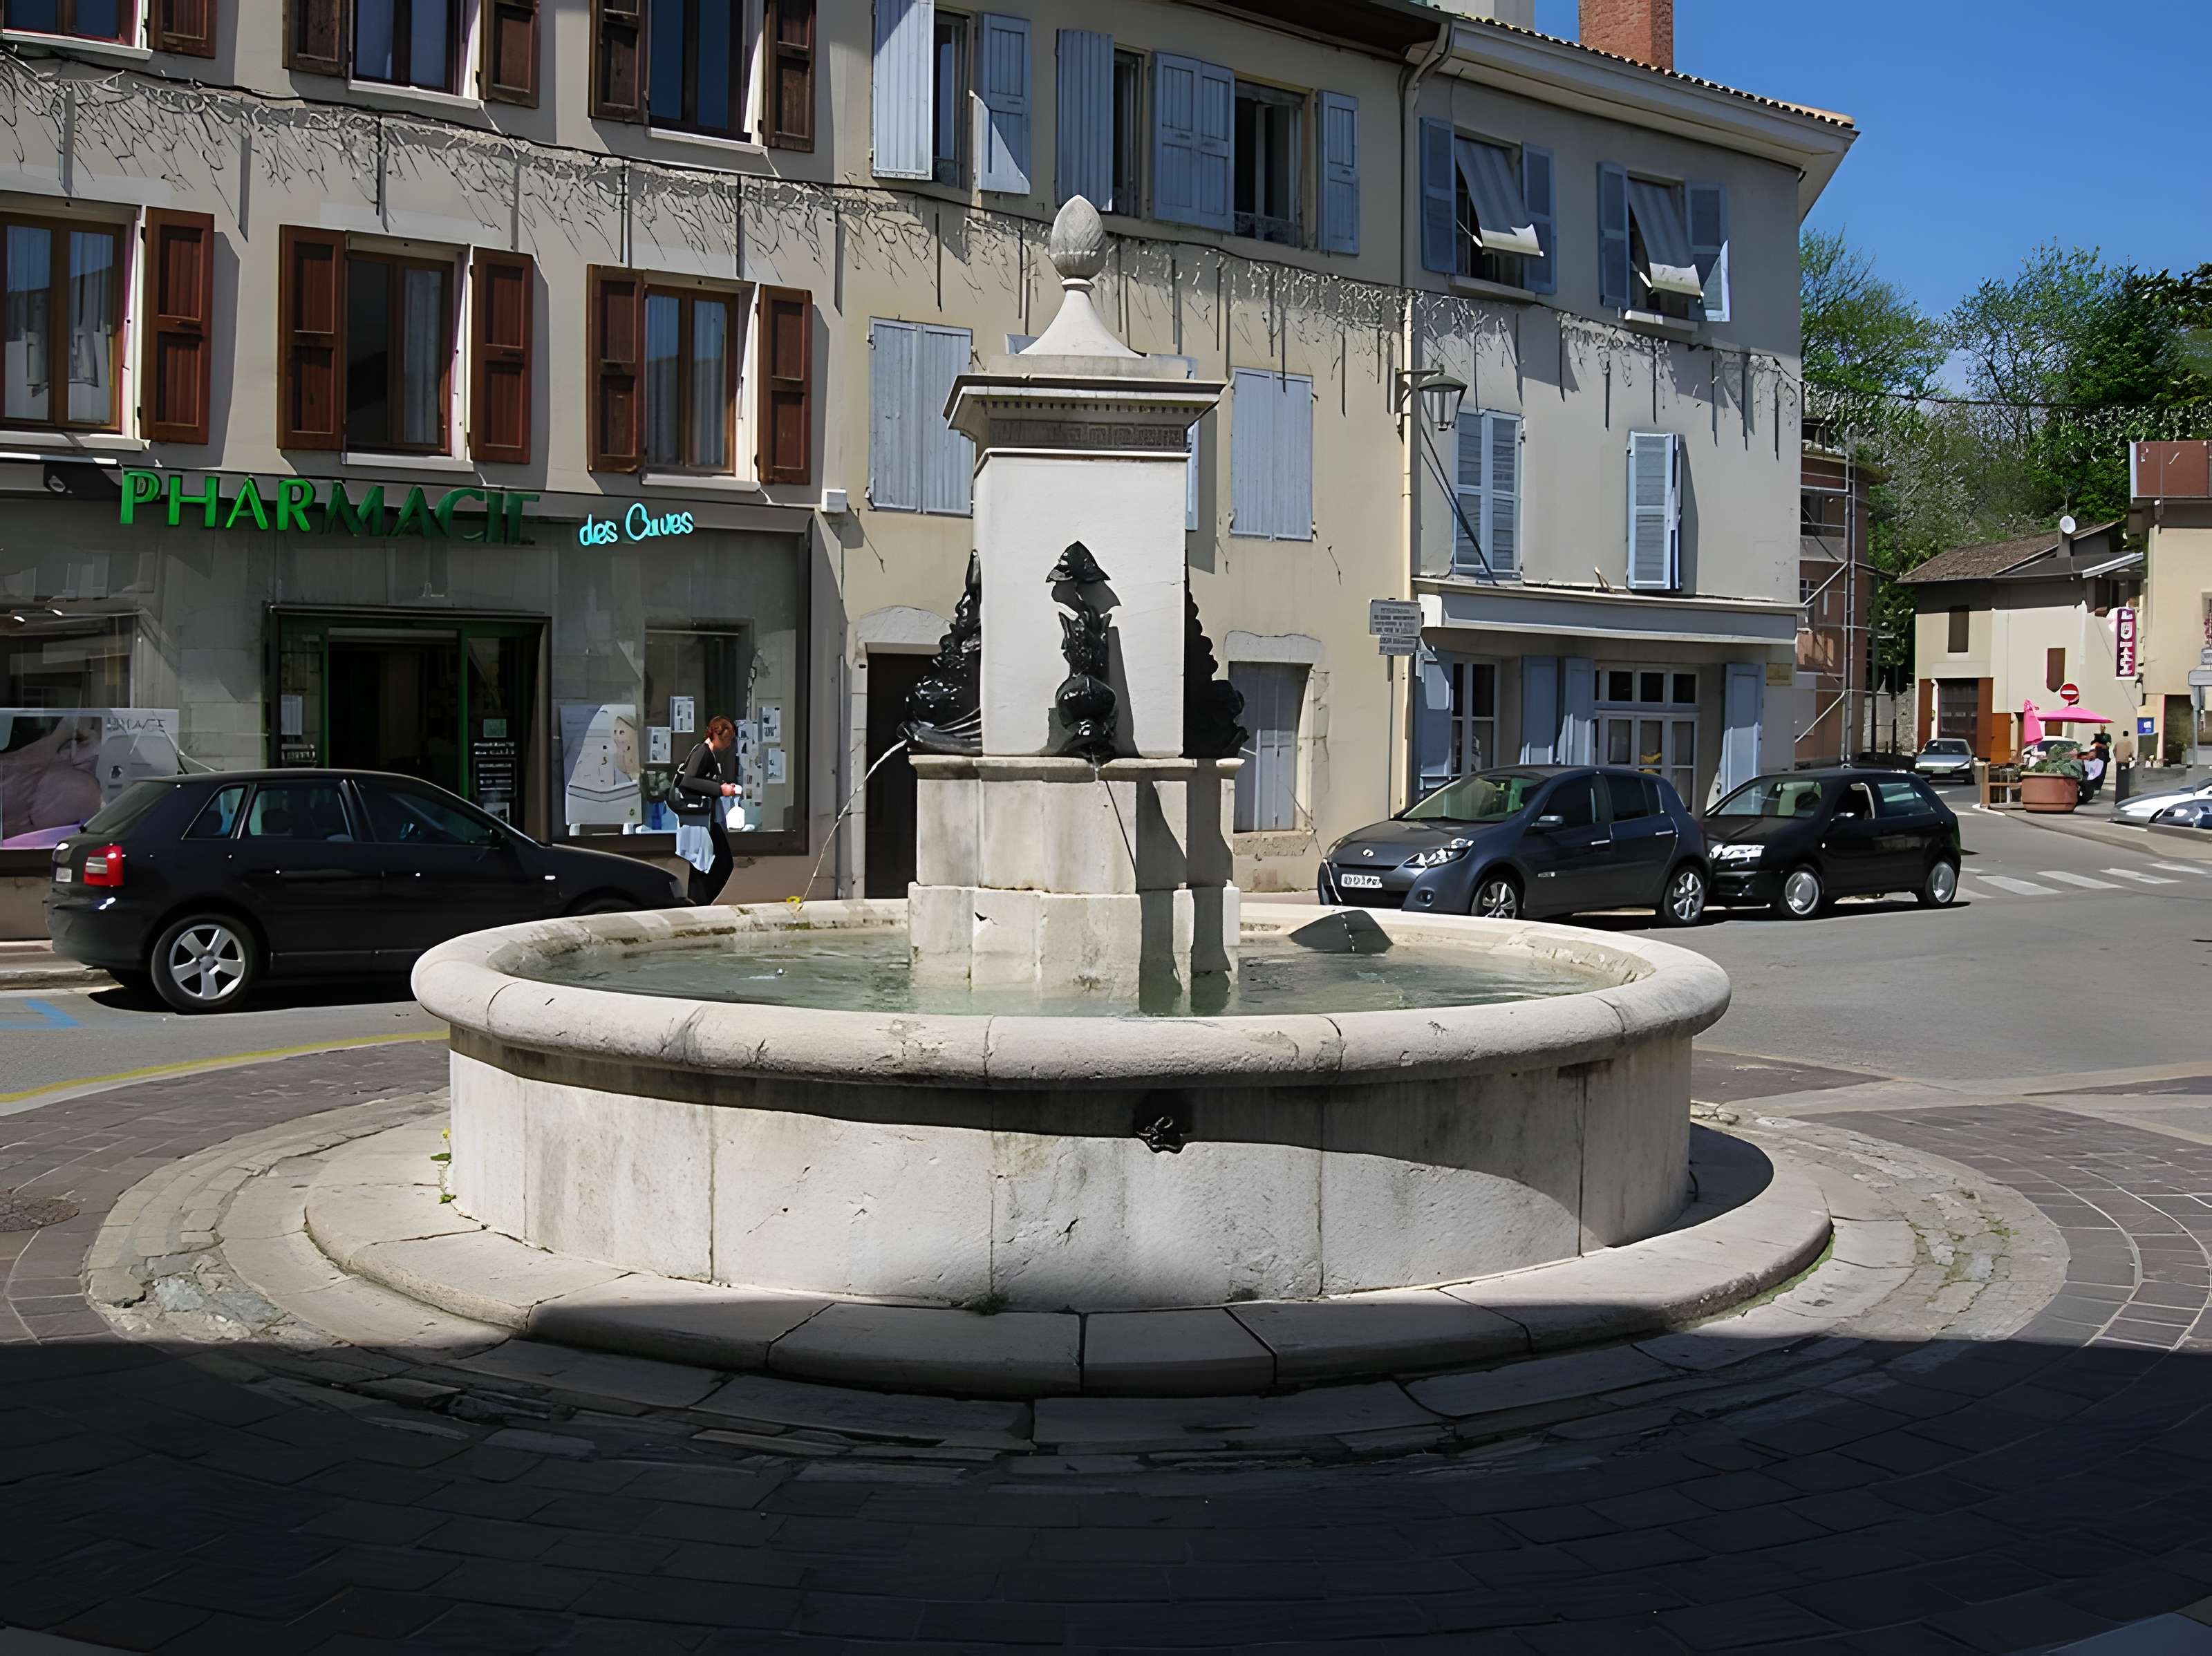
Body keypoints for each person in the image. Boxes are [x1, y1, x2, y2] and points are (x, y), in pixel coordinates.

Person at [675, 715, 740, 905]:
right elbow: (689, 780)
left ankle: (697, 904)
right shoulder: (703, 752)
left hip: (703, 817)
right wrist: (720, 789)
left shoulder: (706, 753)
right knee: (721, 862)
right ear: (718, 736)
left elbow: (700, 780)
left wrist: (722, 785)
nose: (729, 743)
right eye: (728, 739)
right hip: (701, 818)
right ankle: (701, 903)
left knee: (701, 865)